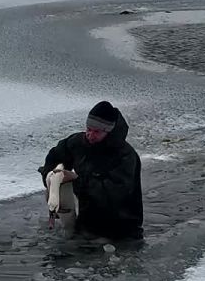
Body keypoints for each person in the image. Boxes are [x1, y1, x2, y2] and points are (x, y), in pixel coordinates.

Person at [40, 100, 144, 240]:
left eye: (96, 132)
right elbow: (55, 158)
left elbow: (111, 195)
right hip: (87, 225)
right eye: (88, 129)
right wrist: (50, 177)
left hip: (122, 230)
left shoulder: (125, 156)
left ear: (109, 131)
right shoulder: (78, 143)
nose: (90, 135)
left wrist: (76, 180)